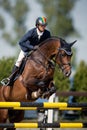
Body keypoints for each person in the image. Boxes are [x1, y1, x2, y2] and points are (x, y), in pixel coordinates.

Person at [2, 16, 51, 86]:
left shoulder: (47, 34)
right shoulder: (31, 32)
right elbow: (21, 42)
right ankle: (10, 79)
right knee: (19, 61)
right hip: (27, 50)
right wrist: (32, 47)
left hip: (38, 52)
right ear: (37, 25)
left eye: (45, 25)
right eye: (42, 25)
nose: (43, 27)